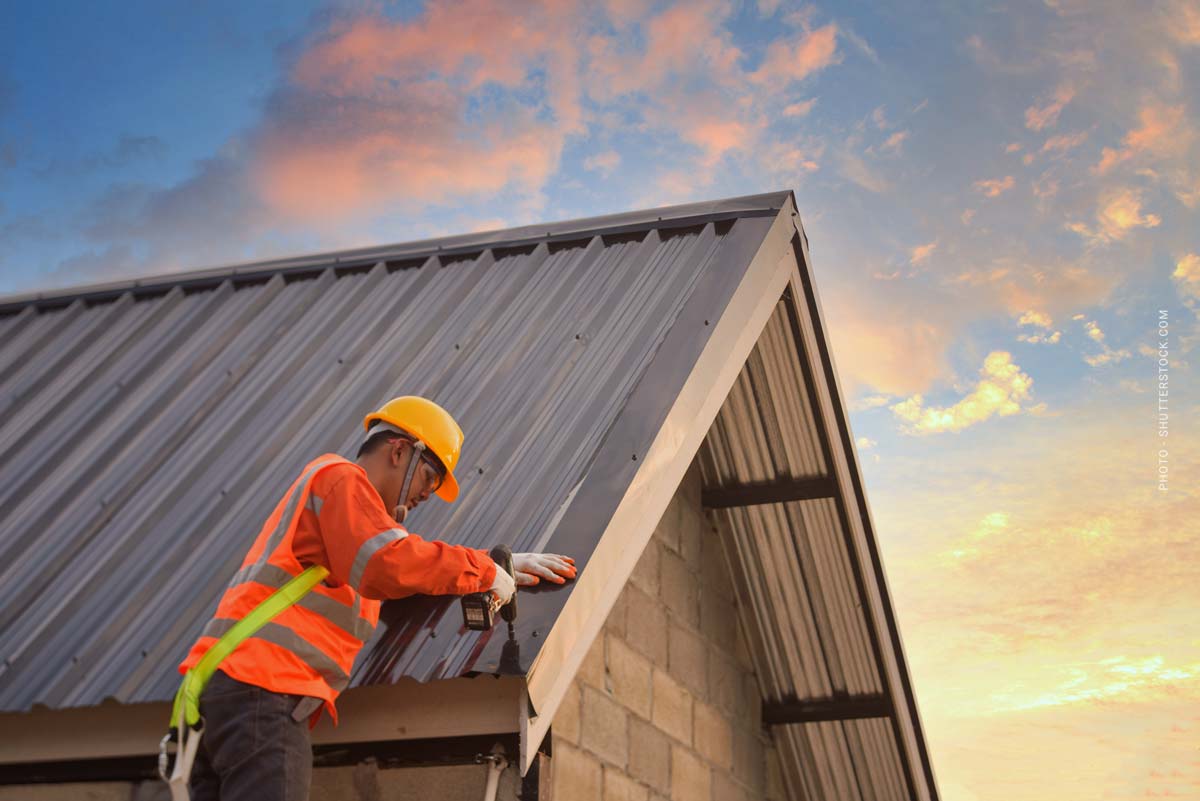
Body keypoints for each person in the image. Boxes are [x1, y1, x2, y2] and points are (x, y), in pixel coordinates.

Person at [176, 396, 576, 801]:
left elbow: (400, 571)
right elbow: (390, 563)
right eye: (430, 477)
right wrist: (483, 570)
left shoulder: (346, 531)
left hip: (231, 694)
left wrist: (494, 569)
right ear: (400, 450)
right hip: (264, 690)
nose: (428, 494)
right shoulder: (340, 479)